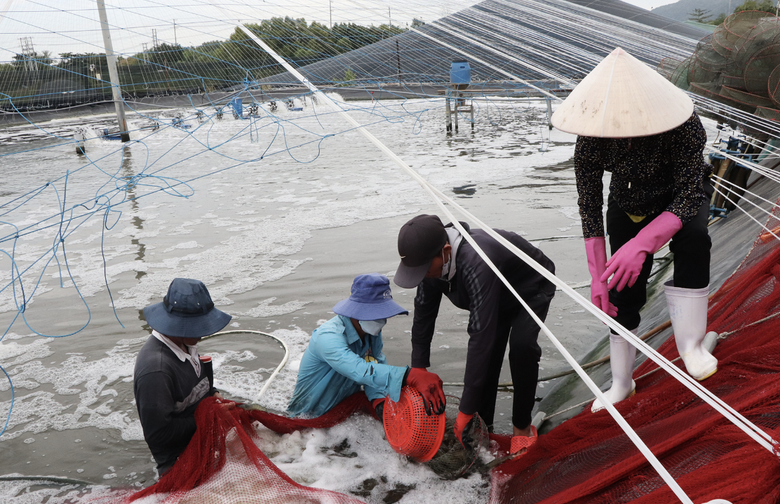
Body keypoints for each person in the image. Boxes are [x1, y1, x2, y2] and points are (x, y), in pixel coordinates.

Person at [550, 47, 717, 413]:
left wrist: (644, 243)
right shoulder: (591, 138)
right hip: (627, 203)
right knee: (619, 289)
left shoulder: (685, 124)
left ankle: (691, 344)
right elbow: (589, 206)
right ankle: (622, 382)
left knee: (694, 240)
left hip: (680, 196)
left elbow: (690, 192)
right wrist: (597, 275)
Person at [394, 214, 556, 454]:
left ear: (446, 251)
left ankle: (522, 428)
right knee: (488, 359)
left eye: (424, 269)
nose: (422, 275)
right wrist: (419, 366)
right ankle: (484, 426)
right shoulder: (429, 265)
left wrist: (465, 410)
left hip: (530, 286)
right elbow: (424, 315)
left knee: (521, 346)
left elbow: (480, 337)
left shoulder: (476, 261)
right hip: (495, 294)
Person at [287, 273, 446, 420]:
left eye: (384, 313)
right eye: (376, 313)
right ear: (357, 310)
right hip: (308, 414)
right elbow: (359, 370)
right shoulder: (328, 337)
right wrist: (409, 375)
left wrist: (379, 401)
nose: (382, 320)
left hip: (344, 410)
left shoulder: (371, 334)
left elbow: (374, 365)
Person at [134, 277, 232, 476]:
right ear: (178, 326)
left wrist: (214, 396)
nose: (203, 333)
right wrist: (211, 416)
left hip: (206, 443)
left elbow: (197, 389)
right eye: (199, 327)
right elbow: (159, 435)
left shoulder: (186, 343)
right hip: (181, 465)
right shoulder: (156, 371)